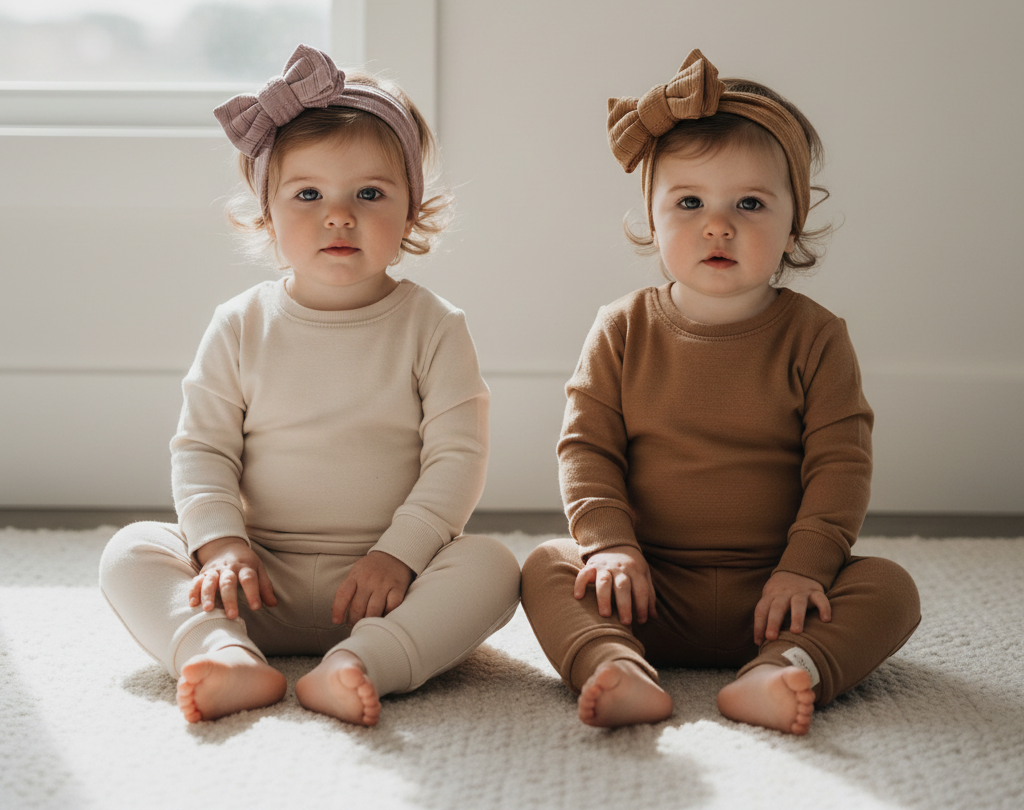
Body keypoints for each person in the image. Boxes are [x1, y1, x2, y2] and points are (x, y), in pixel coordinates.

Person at [100, 45, 521, 726]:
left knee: (495, 567)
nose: (338, 215)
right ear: (266, 212)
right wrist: (221, 544)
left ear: (413, 212)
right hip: (256, 579)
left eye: (371, 194)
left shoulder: (433, 325)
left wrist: (399, 556)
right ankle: (221, 652)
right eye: (308, 194)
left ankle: (364, 663)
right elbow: (202, 449)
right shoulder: (240, 324)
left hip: (389, 584)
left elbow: (457, 459)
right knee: (131, 552)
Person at [521, 50, 920, 733]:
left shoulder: (816, 337)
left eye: (751, 203)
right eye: (689, 202)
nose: (718, 224)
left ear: (795, 222)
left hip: (776, 595)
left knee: (890, 589)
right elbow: (586, 447)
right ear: (650, 215)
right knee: (546, 566)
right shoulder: (622, 328)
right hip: (649, 589)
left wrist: (806, 570)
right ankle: (614, 665)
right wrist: (611, 545)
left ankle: (784, 670)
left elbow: (840, 466)